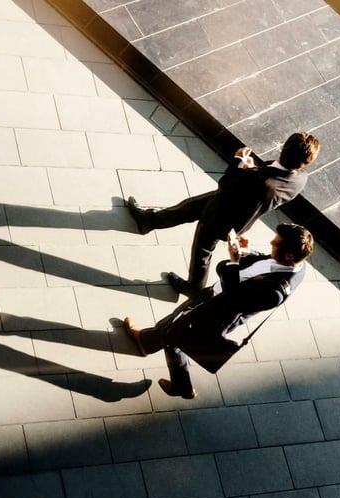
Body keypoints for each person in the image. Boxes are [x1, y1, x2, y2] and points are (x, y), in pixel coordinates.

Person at [123, 223, 314, 399]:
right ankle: (149, 346)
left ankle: (172, 373)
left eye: (276, 243)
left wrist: (233, 261)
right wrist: (247, 252)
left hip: (215, 312)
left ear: (289, 256)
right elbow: (266, 261)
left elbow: (233, 298)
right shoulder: (297, 264)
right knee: (176, 325)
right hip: (214, 294)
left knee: (176, 333)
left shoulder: (274, 293)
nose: (271, 243)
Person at [126, 132, 319, 296]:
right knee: (187, 208)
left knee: (202, 251)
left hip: (223, 215)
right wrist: (250, 171)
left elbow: (227, 183)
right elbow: (262, 185)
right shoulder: (300, 179)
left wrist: (239, 162)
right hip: (235, 205)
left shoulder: (259, 181)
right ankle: (148, 221)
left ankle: (194, 287)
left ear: (284, 148)